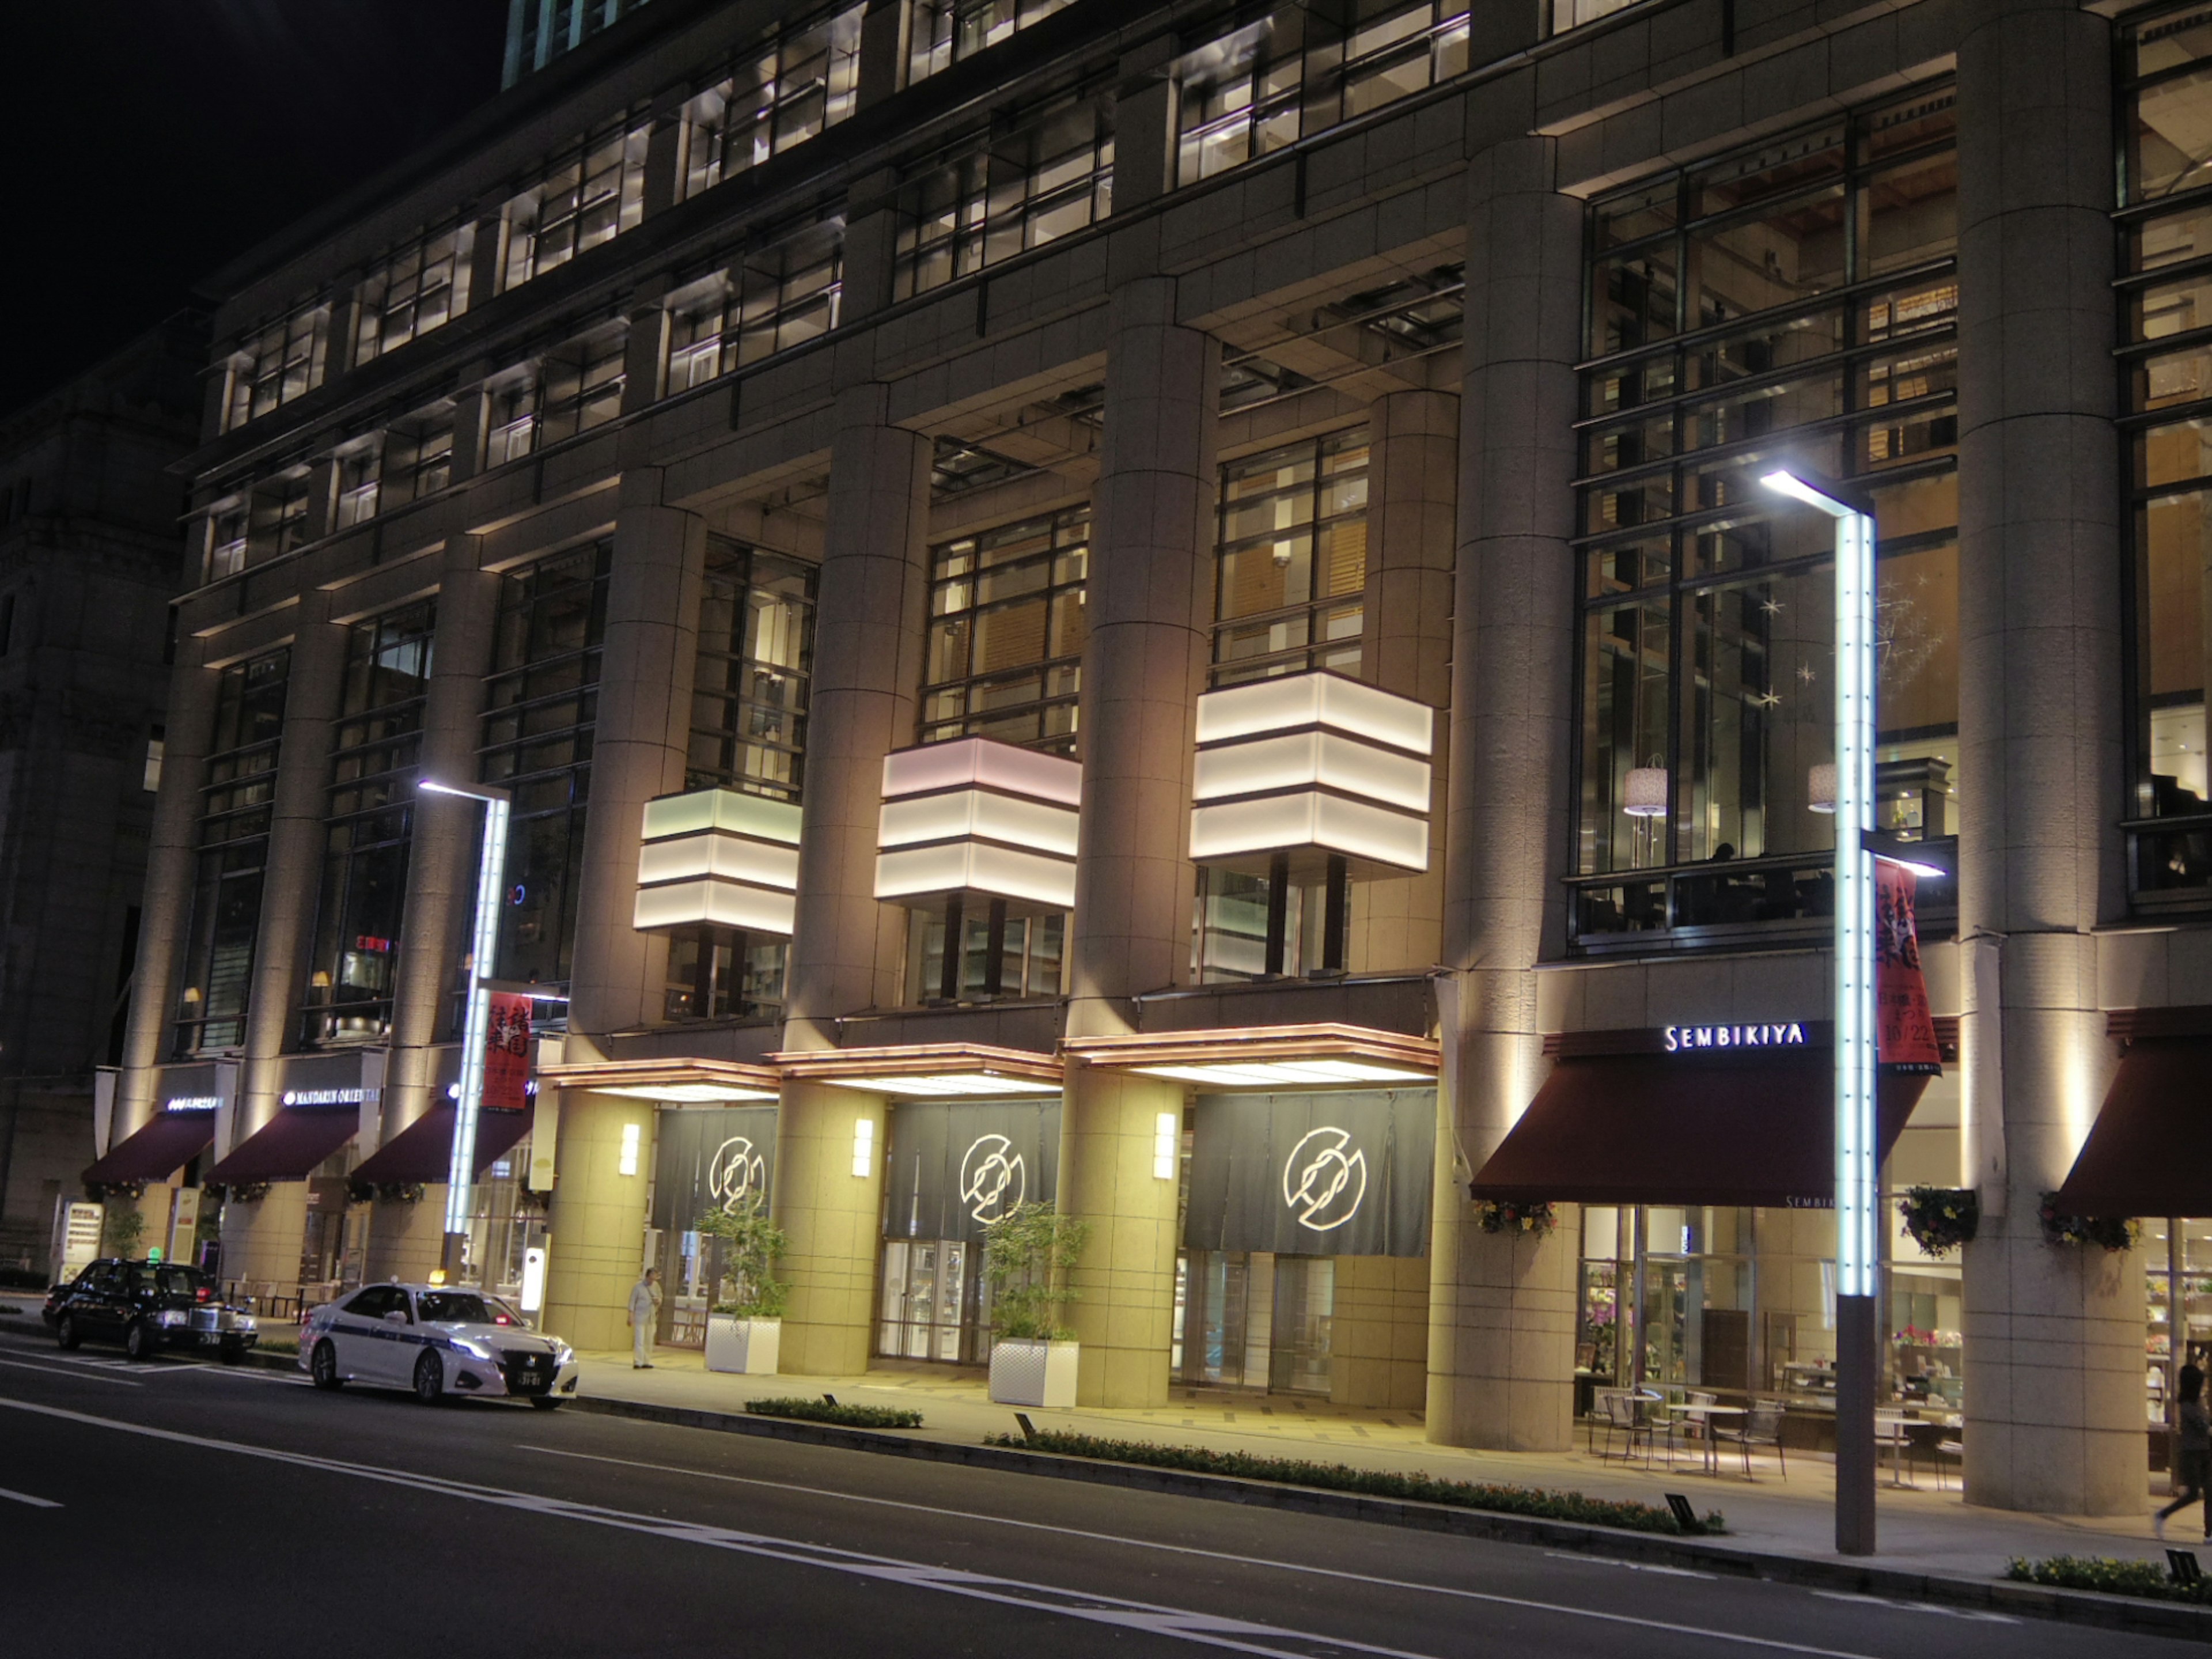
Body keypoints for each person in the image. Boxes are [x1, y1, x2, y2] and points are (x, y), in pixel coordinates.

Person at [2157, 1362, 2209, 1541]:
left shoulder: (2199, 1402)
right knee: (2193, 1494)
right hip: (2191, 1453)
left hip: (2205, 1451)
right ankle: (2163, 1514)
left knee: (2210, 1492)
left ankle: (2209, 1532)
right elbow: (2202, 1426)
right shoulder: (2187, 1405)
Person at [627, 1267, 662, 1370]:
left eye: (655, 1278)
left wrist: (658, 1301)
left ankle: (646, 1360)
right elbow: (632, 1301)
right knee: (640, 1339)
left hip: (651, 1317)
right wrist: (631, 1316)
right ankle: (638, 1361)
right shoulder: (638, 1287)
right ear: (647, 1276)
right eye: (651, 1278)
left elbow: (660, 1297)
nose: (653, 1281)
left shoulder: (656, 1286)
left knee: (649, 1339)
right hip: (640, 1316)